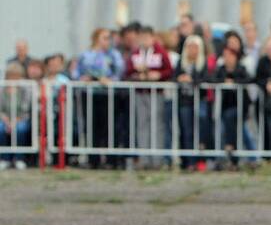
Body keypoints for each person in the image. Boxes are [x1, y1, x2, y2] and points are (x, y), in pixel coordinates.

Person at [76, 28, 125, 168]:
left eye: (109, 37)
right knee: (92, 126)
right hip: (90, 94)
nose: (107, 40)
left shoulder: (114, 55)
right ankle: (93, 159)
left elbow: (120, 71)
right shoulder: (86, 55)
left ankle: (111, 159)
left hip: (108, 95)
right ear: (96, 38)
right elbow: (77, 72)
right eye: (104, 37)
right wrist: (83, 78)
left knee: (110, 127)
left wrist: (110, 80)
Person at [125, 24, 173, 165]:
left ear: (152, 38)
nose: (144, 40)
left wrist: (158, 75)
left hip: (156, 92)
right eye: (142, 37)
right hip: (141, 92)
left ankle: (157, 158)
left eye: (147, 37)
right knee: (142, 124)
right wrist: (136, 74)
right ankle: (144, 157)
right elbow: (127, 72)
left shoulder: (160, 52)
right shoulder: (135, 53)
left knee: (157, 124)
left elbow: (168, 70)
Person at [210, 46, 253, 168]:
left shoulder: (241, 68)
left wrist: (234, 83)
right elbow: (212, 79)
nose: (227, 58)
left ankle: (232, 151)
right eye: (225, 56)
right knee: (230, 129)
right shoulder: (221, 69)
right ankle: (231, 158)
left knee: (238, 129)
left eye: (229, 55)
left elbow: (248, 80)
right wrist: (223, 81)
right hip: (224, 107)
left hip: (240, 107)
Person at [175, 35, 211, 170]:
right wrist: (180, 78)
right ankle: (188, 161)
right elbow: (174, 77)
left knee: (200, 130)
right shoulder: (181, 62)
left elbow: (206, 78)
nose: (192, 50)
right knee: (187, 131)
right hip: (185, 101)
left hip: (200, 101)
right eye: (190, 47)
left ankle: (201, 160)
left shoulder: (203, 63)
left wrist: (192, 79)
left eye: (195, 47)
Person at [0, 63, 32, 169]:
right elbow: (1, 109)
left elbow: (25, 109)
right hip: (5, 119)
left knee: (21, 129)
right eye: (11, 75)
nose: (13, 78)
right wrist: (7, 121)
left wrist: (14, 121)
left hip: (21, 118)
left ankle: (20, 158)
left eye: (16, 75)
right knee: (1, 129)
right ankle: (4, 158)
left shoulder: (25, 89)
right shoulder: (2, 88)